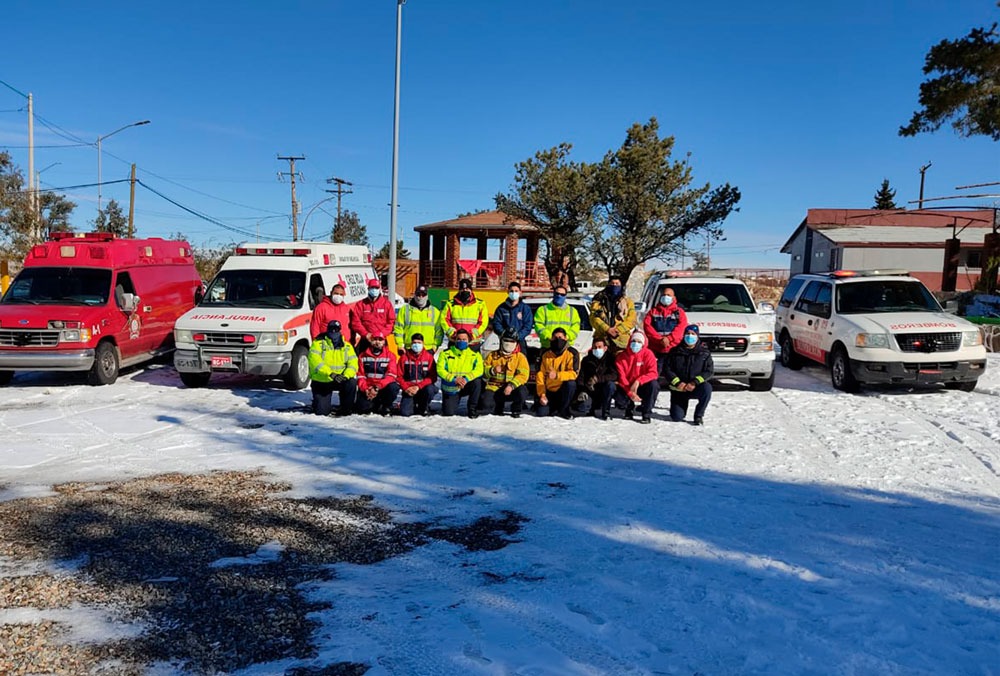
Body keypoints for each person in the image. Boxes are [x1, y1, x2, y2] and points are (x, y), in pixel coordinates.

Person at [663, 324, 714, 425]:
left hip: (695, 387)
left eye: (693, 334)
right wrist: (677, 383)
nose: (690, 336)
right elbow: (667, 369)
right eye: (687, 334)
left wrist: (694, 383)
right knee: (677, 417)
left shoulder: (704, 353)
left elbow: (709, 371)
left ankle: (698, 415)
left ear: (697, 336)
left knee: (707, 388)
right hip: (679, 389)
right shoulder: (674, 352)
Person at [307, 320, 358, 416]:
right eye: (331, 329)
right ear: (327, 330)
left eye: (336, 329)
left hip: (340, 379)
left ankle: (346, 408)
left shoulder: (347, 346)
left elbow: (353, 364)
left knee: (351, 383)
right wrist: (331, 373)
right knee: (322, 412)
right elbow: (315, 363)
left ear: (340, 330)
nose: (334, 332)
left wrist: (346, 376)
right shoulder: (318, 344)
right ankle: (317, 403)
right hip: (322, 380)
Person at [481, 328, 530, 418]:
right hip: (495, 387)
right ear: (501, 341)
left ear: (516, 343)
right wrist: (492, 370)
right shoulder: (492, 355)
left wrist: (511, 385)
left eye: (512, 341)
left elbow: (523, 375)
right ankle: (498, 407)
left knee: (522, 392)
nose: (508, 344)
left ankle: (516, 409)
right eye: (506, 340)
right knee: (485, 403)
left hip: (512, 389)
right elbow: (483, 371)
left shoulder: (520, 357)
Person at [436, 328, 485, 417]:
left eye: (464, 339)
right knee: (449, 413)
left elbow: (479, 370)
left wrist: (466, 379)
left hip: (467, 384)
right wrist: (454, 379)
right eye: (459, 339)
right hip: (452, 386)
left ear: (468, 341)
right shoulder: (445, 354)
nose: (461, 341)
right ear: (455, 340)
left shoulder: (475, 354)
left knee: (477, 382)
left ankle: (472, 409)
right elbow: (440, 370)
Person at [615, 330, 660, 424]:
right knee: (615, 389)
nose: (636, 344)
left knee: (654, 384)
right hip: (627, 386)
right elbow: (621, 377)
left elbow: (653, 373)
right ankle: (628, 408)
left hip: (642, 385)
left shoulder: (648, 354)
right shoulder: (621, 357)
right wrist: (630, 393)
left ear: (643, 344)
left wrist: (639, 381)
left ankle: (646, 413)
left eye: (639, 342)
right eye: (634, 341)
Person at [535, 327, 580, 419]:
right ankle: (550, 406)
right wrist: (542, 395)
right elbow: (540, 376)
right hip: (549, 391)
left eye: (560, 337)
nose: (558, 340)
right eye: (555, 338)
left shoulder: (572, 353)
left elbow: (574, 374)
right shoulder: (545, 354)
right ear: (551, 339)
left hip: (563, 390)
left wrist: (557, 375)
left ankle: (564, 409)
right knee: (541, 413)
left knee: (571, 384)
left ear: (565, 338)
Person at [643, 285, 688, 376]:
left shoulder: (679, 312)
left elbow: (681, 328)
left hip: (674, 350)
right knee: (654, 374)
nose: (666, 297)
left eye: (669, 295)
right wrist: (660, 339)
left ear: (674, 298)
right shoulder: (653, 312)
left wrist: (669, 339)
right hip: (657, 349)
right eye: (664, 295)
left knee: (676, 375)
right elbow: (647, 327)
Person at [354, 332, 401, 415]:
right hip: (368, 388)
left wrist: (377, 387)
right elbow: (361, 375)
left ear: (384, 342)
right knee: (363, 409)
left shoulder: (390, 356)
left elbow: (391, 375)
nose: (377, 342)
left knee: (393, 386)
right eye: (375, 339)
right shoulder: (362, 356)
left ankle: (386, 405)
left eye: (380, 340)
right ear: (370, 340)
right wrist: (366, 389)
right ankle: (373, 403)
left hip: (382, 388)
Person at [438, 278, 489, 351]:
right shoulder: (450, 304)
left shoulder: (480, 304)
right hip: (455, 341)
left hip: (473, 343)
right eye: (462, 289)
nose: (465, 291)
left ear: (471, 290)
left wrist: (472, 335)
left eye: (467, 288)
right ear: (459, 290)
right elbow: (444, 319)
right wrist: (453, 333)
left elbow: (483, 322)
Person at [350, 278, 396, 355]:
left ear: (380, 289)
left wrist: (381, 335)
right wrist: (366, 334)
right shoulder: (361, 304)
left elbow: (391, 322)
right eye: (372, 288)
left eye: (376, 288)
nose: (374, 290)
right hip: (366, 340)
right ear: (368, 289)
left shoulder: (386, 304)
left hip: (381, 341)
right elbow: (355, 322)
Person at [590, 275, 637, 352]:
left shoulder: (628, 302)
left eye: (617, 284)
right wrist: (607, 329)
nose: (614, 286)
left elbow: (632, 319)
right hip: (602, 340)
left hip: (621, 341)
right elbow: (593, 319)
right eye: (612, 284)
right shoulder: (598, 301)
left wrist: (618, 330)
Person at [533, 284, 580, 358]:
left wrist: (566, 337)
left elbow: (576, 327)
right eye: (557, 294)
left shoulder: (572, 311)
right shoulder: (543, 310)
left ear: (565, 296)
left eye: (562, 294)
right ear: (553, 294)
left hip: (566, 347)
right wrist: (550, 337)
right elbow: (538, 326)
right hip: (547, 346)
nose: (559, 296)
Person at [575, 337, 618, 420]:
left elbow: (614, 375)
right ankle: (591, 409)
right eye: (595, 347)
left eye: (599, 347)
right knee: (581, 407)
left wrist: (598, 378)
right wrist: (582, 390)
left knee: (611, 385)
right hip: (590, 389)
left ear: (605, 348)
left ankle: (606, 411)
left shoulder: (610, 359)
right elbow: (581, 377)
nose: (597, 349)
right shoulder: (586, 360)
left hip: (604, 388)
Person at [397, 332, 438, 417]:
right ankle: (412, 404)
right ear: (411, 344)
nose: (416, 345)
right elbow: (398, 376)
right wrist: (406, 388)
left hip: (423, 388)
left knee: (431, 389)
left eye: (419, 343)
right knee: (405, 413)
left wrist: (418, 386)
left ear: (423, 344)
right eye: (414, 343)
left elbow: (433, 377)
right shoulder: (404, 358)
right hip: (408, 389)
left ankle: (424, 406)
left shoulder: (429, 357)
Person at [394, 285, 443, 353]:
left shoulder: (435, 311)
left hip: (428, 349)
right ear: (414, 295)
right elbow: (398, 329)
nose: (420, 297)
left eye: (423, 295)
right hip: (409, 348)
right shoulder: (405, 310)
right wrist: (400, 345)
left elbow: (439, 332)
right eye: (418, 294)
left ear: (427, 296)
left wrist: (435, 346)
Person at [491, 281, 534, 353]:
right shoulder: (501, 308)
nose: (514, 293)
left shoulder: (525, 309)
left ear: (520, 292)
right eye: (511, 291)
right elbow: (496, 323)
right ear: (508, 292)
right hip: (505, 342)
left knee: (521, 363)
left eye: (516, 291)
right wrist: (504, 333)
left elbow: (528, 326)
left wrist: (518, 335)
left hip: (519, 342)